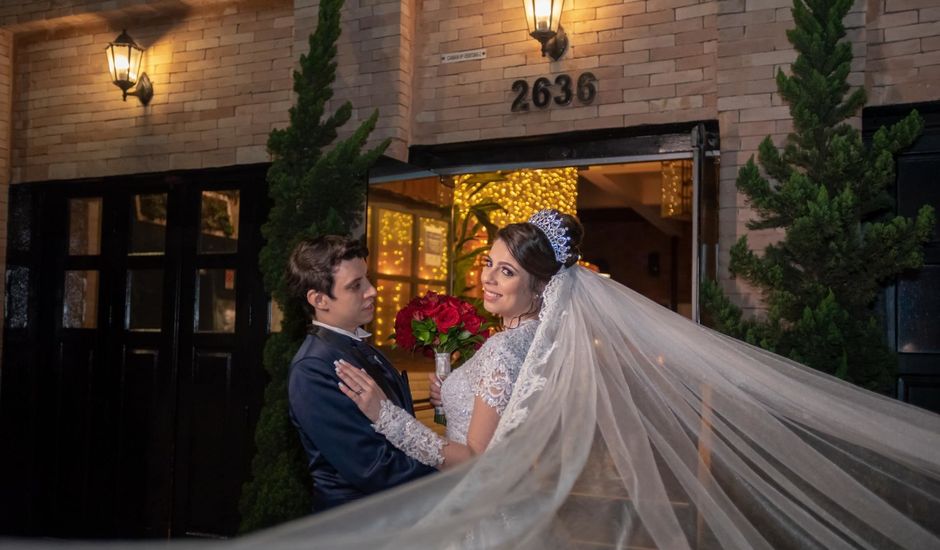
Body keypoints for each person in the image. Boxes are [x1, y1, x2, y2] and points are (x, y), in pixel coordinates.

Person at [335, 210, 584, 469]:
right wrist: (451, 394)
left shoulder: (504, 347)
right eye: (489, 263)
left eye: (507, 272)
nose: (488, 278)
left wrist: (384, 413)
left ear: (541, 286)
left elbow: (474, 460)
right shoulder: (544, 341)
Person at [285, 235, 435, 512]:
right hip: (359, 525)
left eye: (366, 279)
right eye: (356, 286)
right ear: (319, 299)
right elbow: (372, 468)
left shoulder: (356, 346)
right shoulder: (312, 369)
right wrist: (452, 477)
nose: (372, 291)